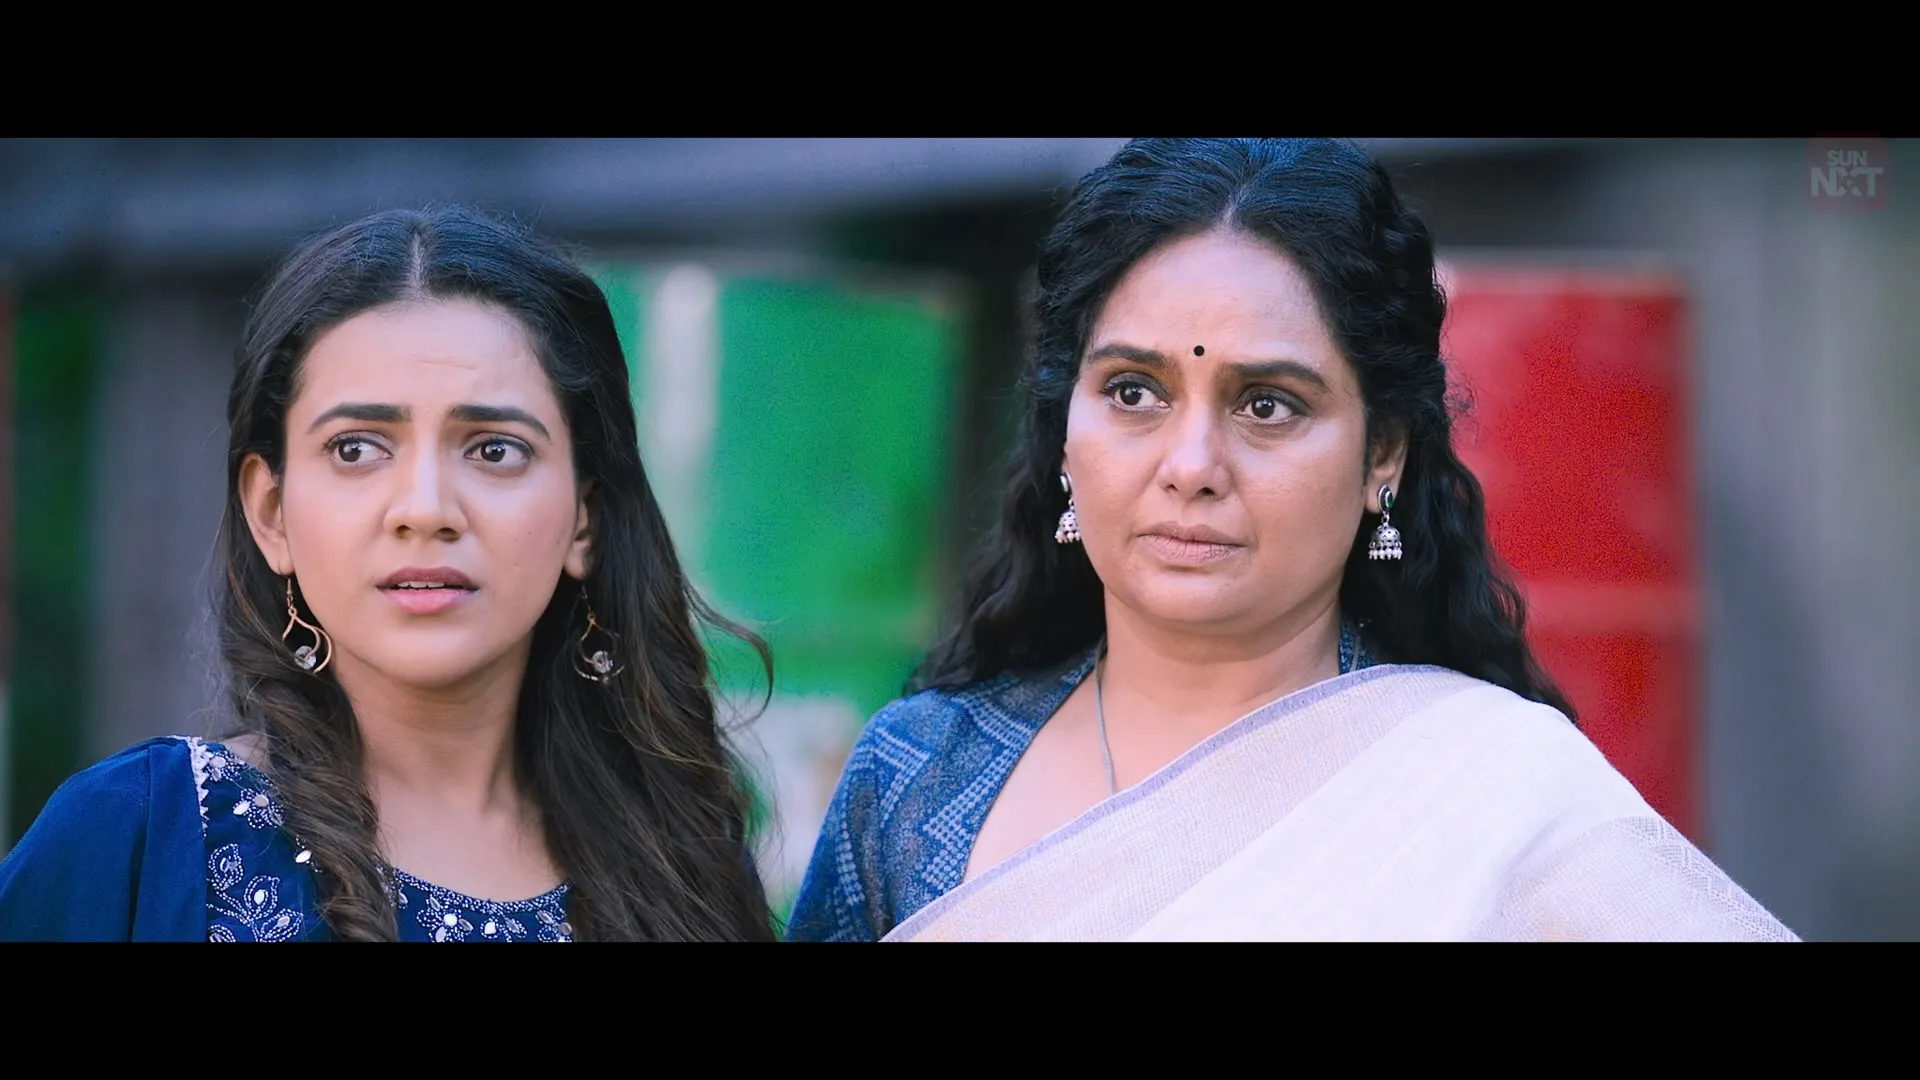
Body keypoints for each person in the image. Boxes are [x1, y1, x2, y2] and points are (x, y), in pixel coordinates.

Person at [784, 138, 1800, 942]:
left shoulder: (1494, 794)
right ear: (1062, 431)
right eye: (1133, 392)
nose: (1191, 464)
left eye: (1266, 404)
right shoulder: (916, 781)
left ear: (1382, 454)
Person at [0, 205, 778, 941]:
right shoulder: (138, 836)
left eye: (495, 450)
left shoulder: (684, 867)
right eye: (356, 449)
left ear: (585, 519)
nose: (426, 509)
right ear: (272, 514)